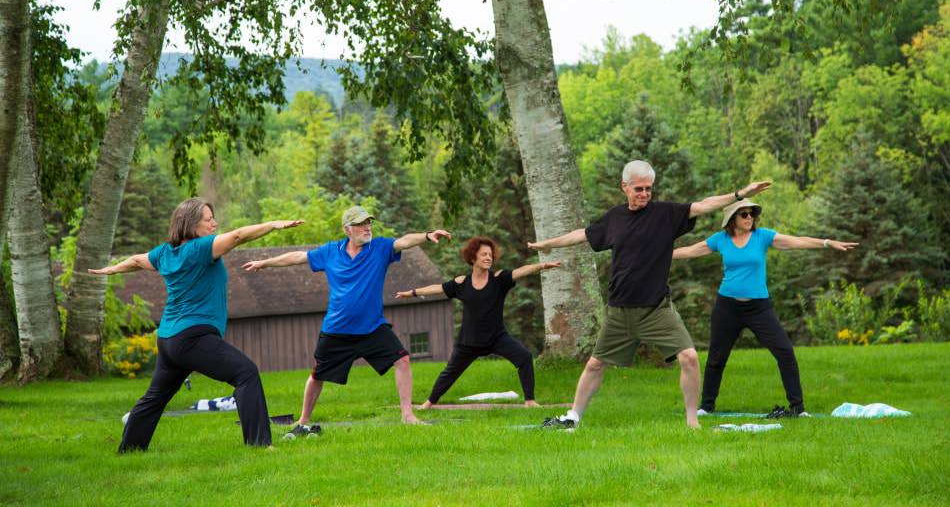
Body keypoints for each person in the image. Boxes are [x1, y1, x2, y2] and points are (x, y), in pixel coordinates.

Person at [528, 160, 771, 429]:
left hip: (657, 309)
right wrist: (547, 245)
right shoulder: (614, 219)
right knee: (596, 365)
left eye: (648, 189)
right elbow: (582, 235)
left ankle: (693, 422)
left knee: (689, 357)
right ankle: (572, 417)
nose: (644, 194)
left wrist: (740, 194)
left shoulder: (665, 214)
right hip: (619, 310)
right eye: (639, 189)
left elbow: (703, 204)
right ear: (625, 187)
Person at [88, 198, 303, 452]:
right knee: (246, 374)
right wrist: (273, 225)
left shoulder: (165, 253)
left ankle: (130, 450)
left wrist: (111, 270)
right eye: (208, 219)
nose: (214, 223)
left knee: (156, 396)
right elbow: (237, 236)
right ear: (191, 224)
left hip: (169, 339)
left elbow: (136, 261)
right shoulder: (200, 249)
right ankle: (259, 446)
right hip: (193, 336)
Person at [241, 205, 450, 433]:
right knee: (317, 374)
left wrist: (428, 236)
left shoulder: (379, 248)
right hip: (337, 329)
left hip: (372, 328)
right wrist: (264, 263)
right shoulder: (331, 252)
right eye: (361, 224)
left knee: (402, 361)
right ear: (347, 229)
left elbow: (405, 241)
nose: (367, 227)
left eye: (369, 222)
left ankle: (407, 415)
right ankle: (303, 420)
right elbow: (298, 257)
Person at [672, 198, 858, 417]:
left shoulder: (762, 237)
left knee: (785, 352)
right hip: (727, 307)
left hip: (759, 308)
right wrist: (655, 255)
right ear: (732, 218)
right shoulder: (720, 239)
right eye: (745, 214)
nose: (750, 217)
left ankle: (798, 409)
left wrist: (826, 242)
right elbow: (691, 251)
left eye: (752, 214)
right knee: (716, 359)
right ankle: (706, 407)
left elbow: (796, 241)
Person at [395, 236, 561, 409]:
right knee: (450, 373)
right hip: (469, 341)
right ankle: (429, 403)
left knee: (524, 357)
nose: (488, 257)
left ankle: (530, 401)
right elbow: (437, 288)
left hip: (497, 338)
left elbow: (521, 271)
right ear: (473, 257)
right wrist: (412, 293)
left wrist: (541, 266)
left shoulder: (499, 279)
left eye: (490, 254)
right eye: (484, 254)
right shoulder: (462, 283)